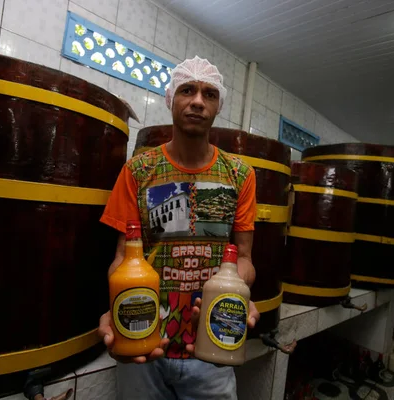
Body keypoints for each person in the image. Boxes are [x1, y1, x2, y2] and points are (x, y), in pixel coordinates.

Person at [98, 56, 260, 399]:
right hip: (145, 343)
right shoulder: (138, 171)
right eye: (188, 90)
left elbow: (244, 258)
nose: (198, 101)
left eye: (209, 94)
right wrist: (116, 310)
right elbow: (121, 257)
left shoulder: (240, 175)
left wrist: (237, 294)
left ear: (218, 107)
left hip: (212, 347)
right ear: (171, 98)